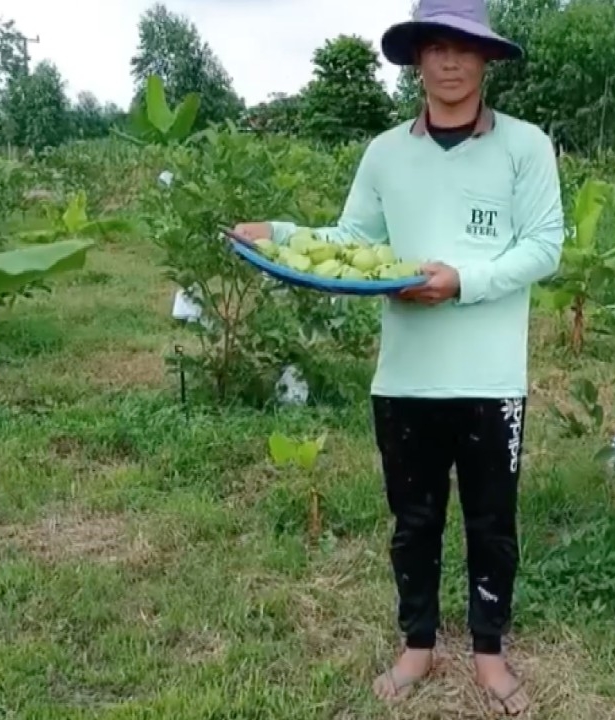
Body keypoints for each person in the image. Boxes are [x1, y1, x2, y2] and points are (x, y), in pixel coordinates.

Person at [230, 0, 562, 713]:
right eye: (435, 47)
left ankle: (488, 652)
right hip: (405, 376)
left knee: (491, 523)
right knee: (413, 522)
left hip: (491, 377)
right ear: (416, 59)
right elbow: (353, 240)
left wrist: (462, 281)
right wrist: (281, 232)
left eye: (464, 48)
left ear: (486, 60)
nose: (449, 62)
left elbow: (544, 246)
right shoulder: (386, 152)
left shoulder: (525, 147)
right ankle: (417, 645)